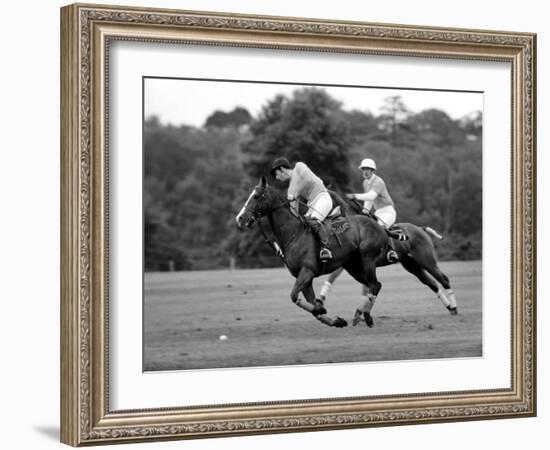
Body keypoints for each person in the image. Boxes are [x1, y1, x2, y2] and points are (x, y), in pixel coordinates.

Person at [270, 157, 333, 261]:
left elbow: (308, 180)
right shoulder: (290, 190)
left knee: (313, 221)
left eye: (276, 174)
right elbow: (294, 211)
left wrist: (296, 194)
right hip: (312, 205)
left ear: (282, 169)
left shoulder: (299, 167)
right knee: (303, 226)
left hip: (323, 198)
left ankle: (326, 249)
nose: (277, 177)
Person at [345, 158, 399, 263]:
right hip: (378, 212)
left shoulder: (378, 181)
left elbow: (371, 196)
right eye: (363, 169)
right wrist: (365, 212)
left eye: (368, 169)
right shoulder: (366, 182)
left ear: (372, 170)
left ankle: (391, 251)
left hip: (388, 211)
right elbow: (369, 201)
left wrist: (355, 196)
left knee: (380, 227)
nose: (365, 171)